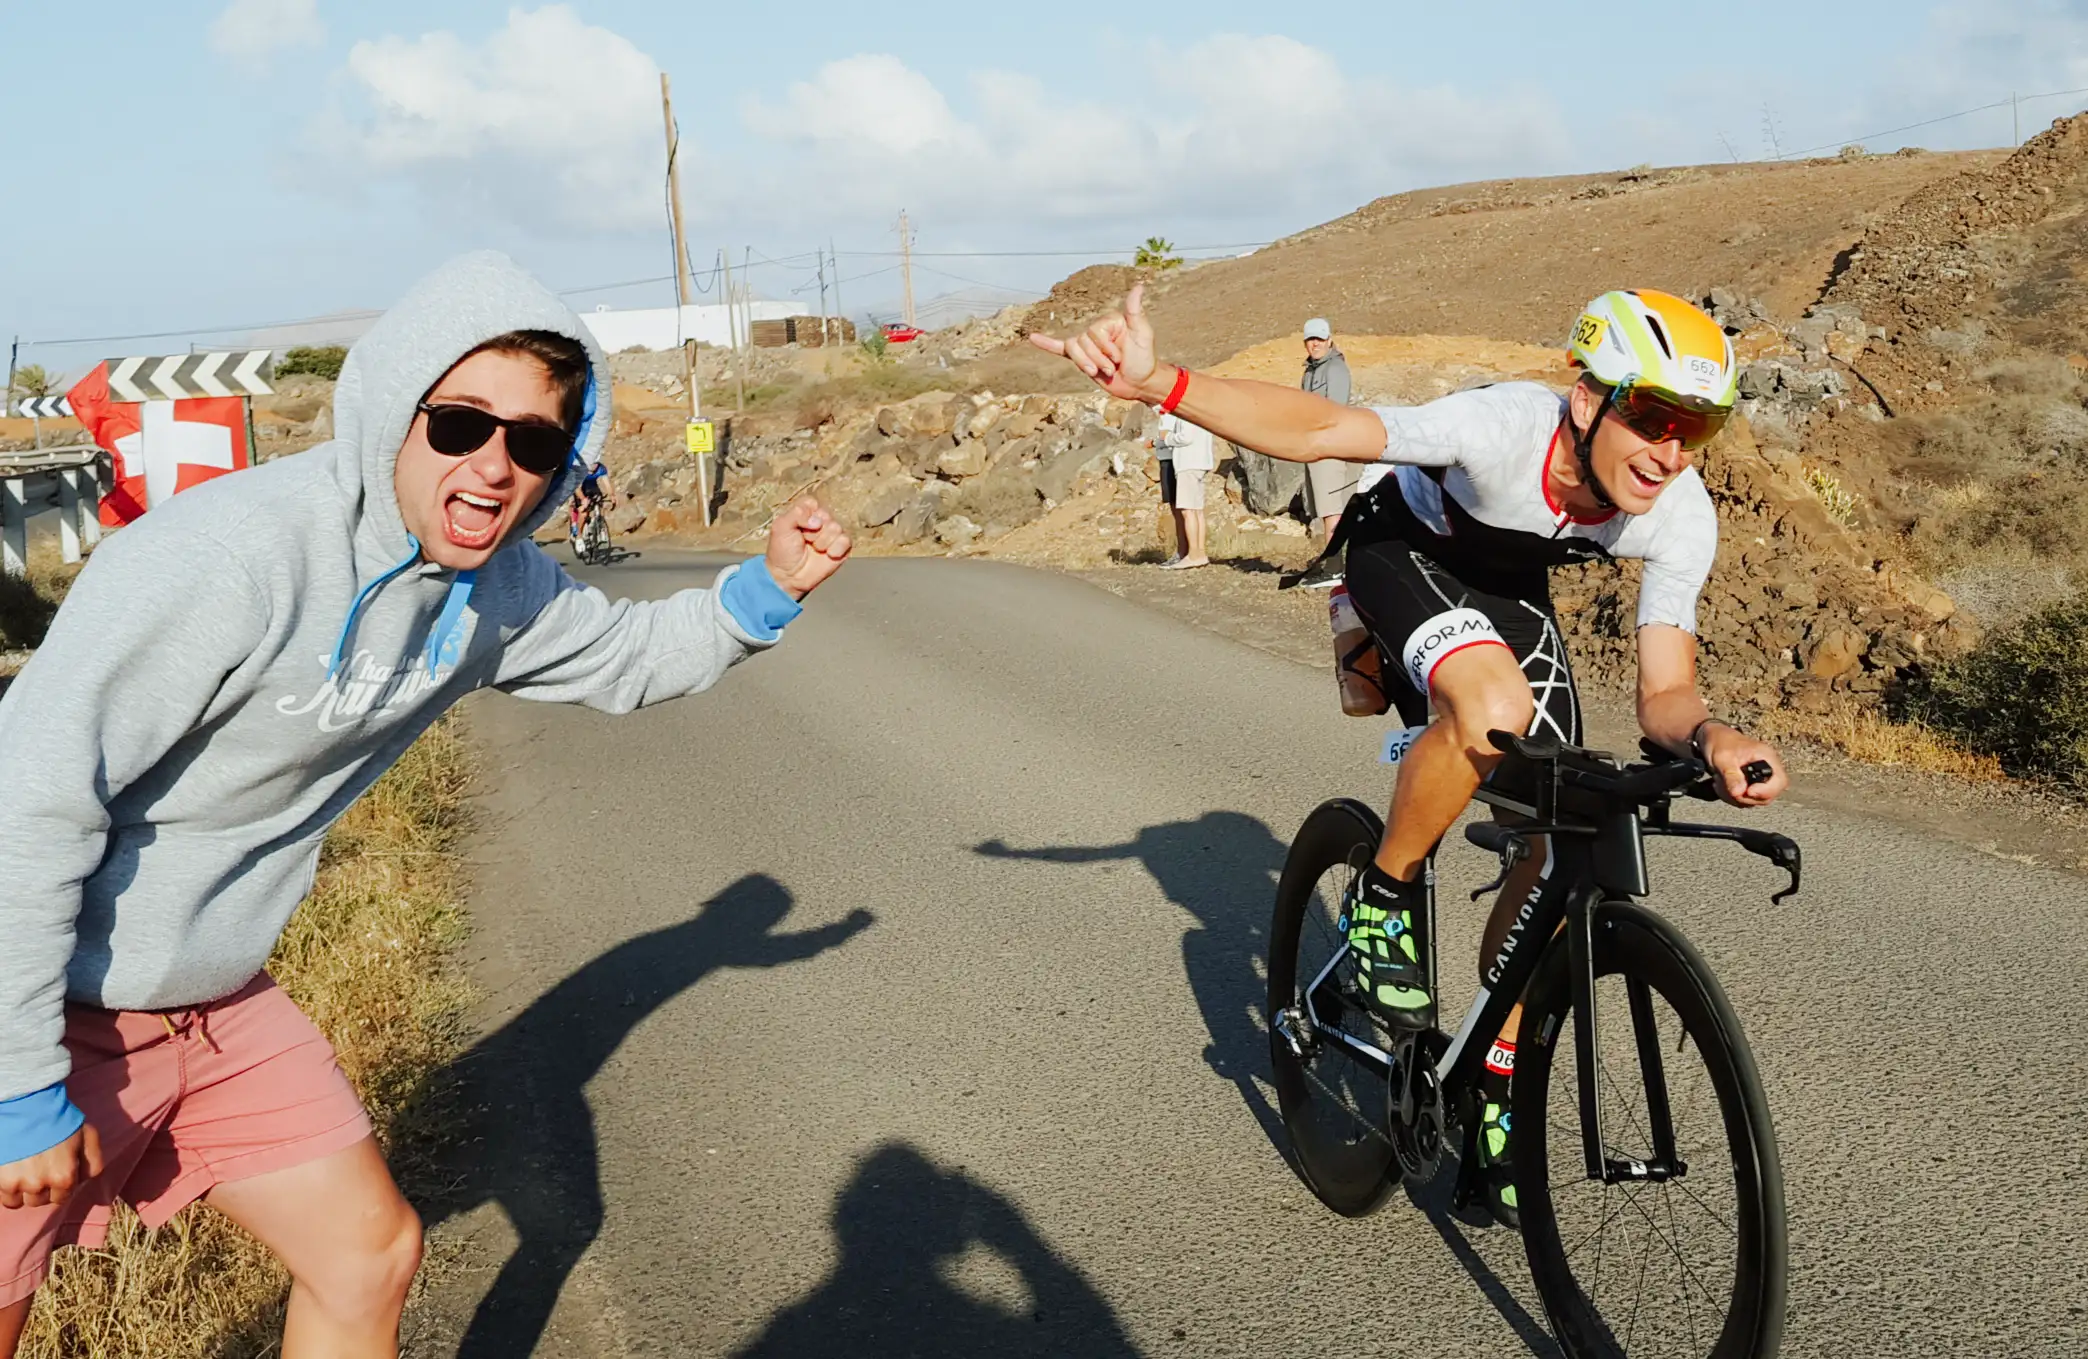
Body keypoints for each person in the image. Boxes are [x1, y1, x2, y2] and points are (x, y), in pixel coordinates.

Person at [0, 251, 851, 1357]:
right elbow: (28, 803)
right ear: (391, 413)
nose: (496, 465)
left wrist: (766, 588)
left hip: (212, 1004)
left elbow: (631, 654)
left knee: (369, 1254)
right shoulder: (225, 560)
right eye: (459, 425)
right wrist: (19, 1079)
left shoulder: (495, 589)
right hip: (40, 999)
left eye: (535, 440)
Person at [1032, 283, 1788, 1227]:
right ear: (1589, 399)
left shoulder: (1678, 511)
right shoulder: (1502, 428)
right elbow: (1320, 431)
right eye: (1652, 416)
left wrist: (1714, 736)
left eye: (1697, 428)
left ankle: (1496, 1093)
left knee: (1561, 841)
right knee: (1492, 702)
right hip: (1402, 549)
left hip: (1507, 587)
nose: (1670, 453)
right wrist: (1161, 384)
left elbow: (1665, 691)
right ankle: (1384, 897)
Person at [1295, 318, 1355, 589]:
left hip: (1331, 447)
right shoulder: (1308, 372)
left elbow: (1337, 410)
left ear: (1329, 339)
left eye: (1320, 339)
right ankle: (1333, 564)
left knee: (1332, 510)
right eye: (1311, 339)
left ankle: (1335, 569)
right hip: (1315, 448)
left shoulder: (1336, 368)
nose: (1315, 343)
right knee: (1326, 510)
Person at [1154, 407, 1217, 569]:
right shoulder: (1203, 413)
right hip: (1201, 462)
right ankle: (1199, 552)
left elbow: (1186, 437)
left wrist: (1165, 440)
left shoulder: (1186, 414)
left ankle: (1194, 555)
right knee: (1196, 511)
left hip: (1188, 463)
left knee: (1187, 511)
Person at [569, 457, 613, 546]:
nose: (593, 467)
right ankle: (579, 536)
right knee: (584, 513)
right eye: (592, 464)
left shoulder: (601, 468)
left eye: (595, 464)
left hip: (592, 487)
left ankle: (600, 526)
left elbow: (607, 483)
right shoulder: (581, 469)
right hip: (580, 488)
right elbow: (576, 488)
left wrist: (612, 495)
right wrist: (583, 499)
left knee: (600, 501)